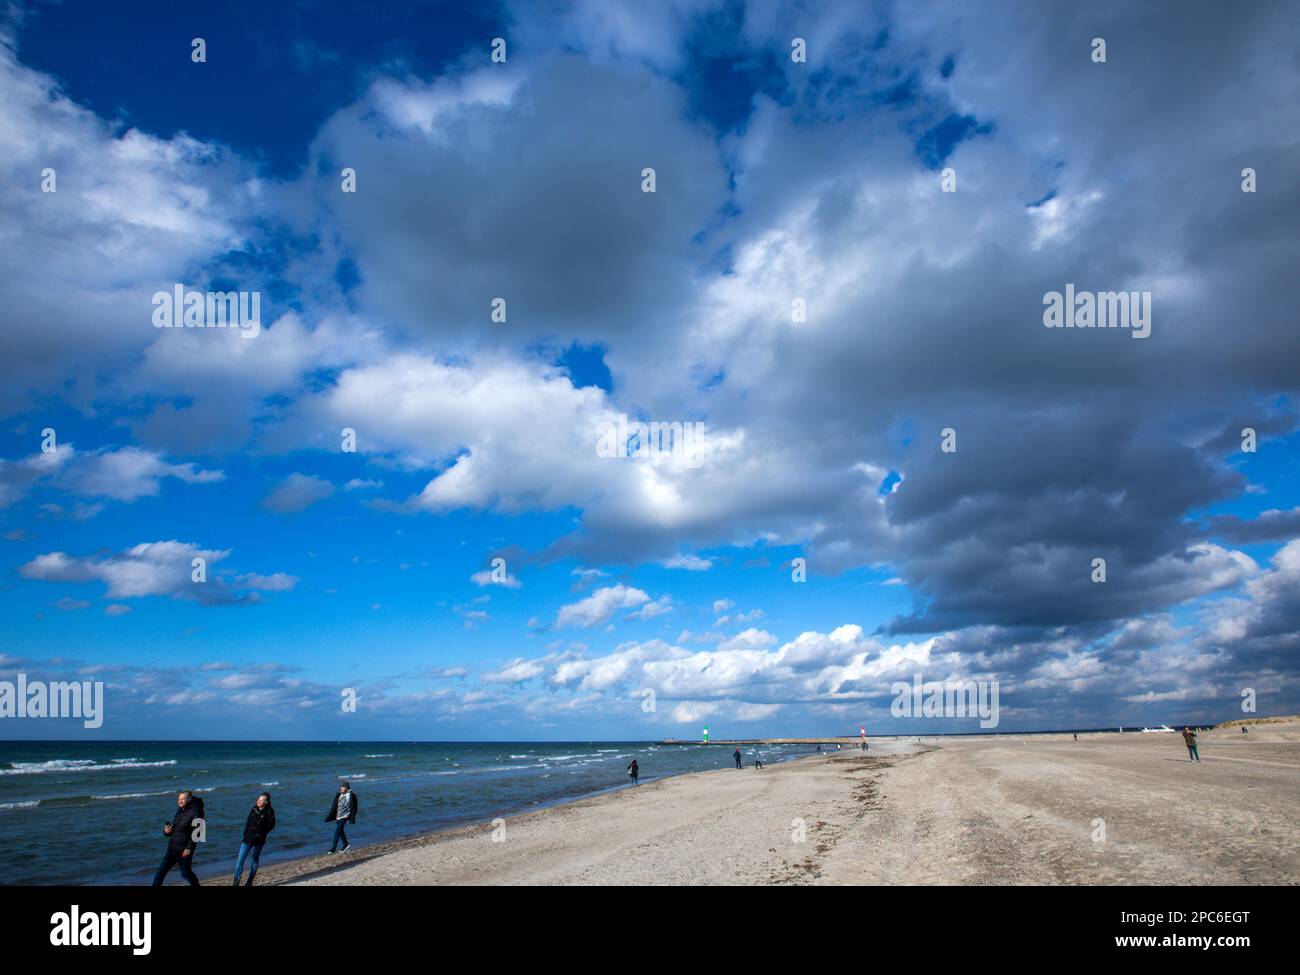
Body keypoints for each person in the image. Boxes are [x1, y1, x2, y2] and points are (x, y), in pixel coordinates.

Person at [152, 790, 204, 886]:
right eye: (179, 799)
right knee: (160, 872)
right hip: (172, 848)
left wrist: (189, 848)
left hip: (184, 850)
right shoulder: (180, 810)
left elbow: (199, 831)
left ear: (189, 799)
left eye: (183, 799)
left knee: (186, 874)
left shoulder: (197, 810)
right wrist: (166, 831)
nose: (179, 801)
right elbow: (176, 830)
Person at [233, 792, 276, 886]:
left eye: (261, 800)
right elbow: (248, 821)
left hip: (259, 840)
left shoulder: (270, 811)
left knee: (254, 859)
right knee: (240, 860)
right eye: (258, 799)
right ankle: (236, 881)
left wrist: (261, 833)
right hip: (247, 838)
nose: (258, 801)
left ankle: (250, 881)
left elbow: (272, 825)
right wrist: (245, 833)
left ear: (266, 802)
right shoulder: (254, 808)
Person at [325, 782, 358, 853]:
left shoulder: (351, 795)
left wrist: (351, 815)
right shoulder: (338, 794)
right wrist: (331, 815)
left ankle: (333, 848)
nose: (341, 788)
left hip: (345, 816)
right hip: (338, 816)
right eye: (341, 787)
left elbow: (355, 807)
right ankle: (346, 844)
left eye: (343, 787)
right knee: (340, 831)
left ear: (346, 788)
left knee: (337, 831)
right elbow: (334, 805)